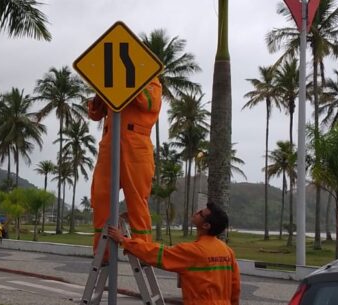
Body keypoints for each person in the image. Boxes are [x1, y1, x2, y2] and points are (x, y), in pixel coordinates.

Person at [106, 203, 241, 305]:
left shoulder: (193, 251)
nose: (196, 212)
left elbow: (156, 253)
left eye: (201, 213)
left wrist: (124, 240)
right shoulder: (227, 251)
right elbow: (235, 288)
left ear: (206, 226)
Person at [88, 77, 162, 253]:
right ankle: (102, 253)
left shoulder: (151, 79)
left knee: (137, 201)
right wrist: (102, 90)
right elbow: (94, 114)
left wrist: (127, 80)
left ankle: (142, 250)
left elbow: (150, 103)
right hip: (109, 145)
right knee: (100, 198)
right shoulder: (110, 79)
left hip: (136, 144)